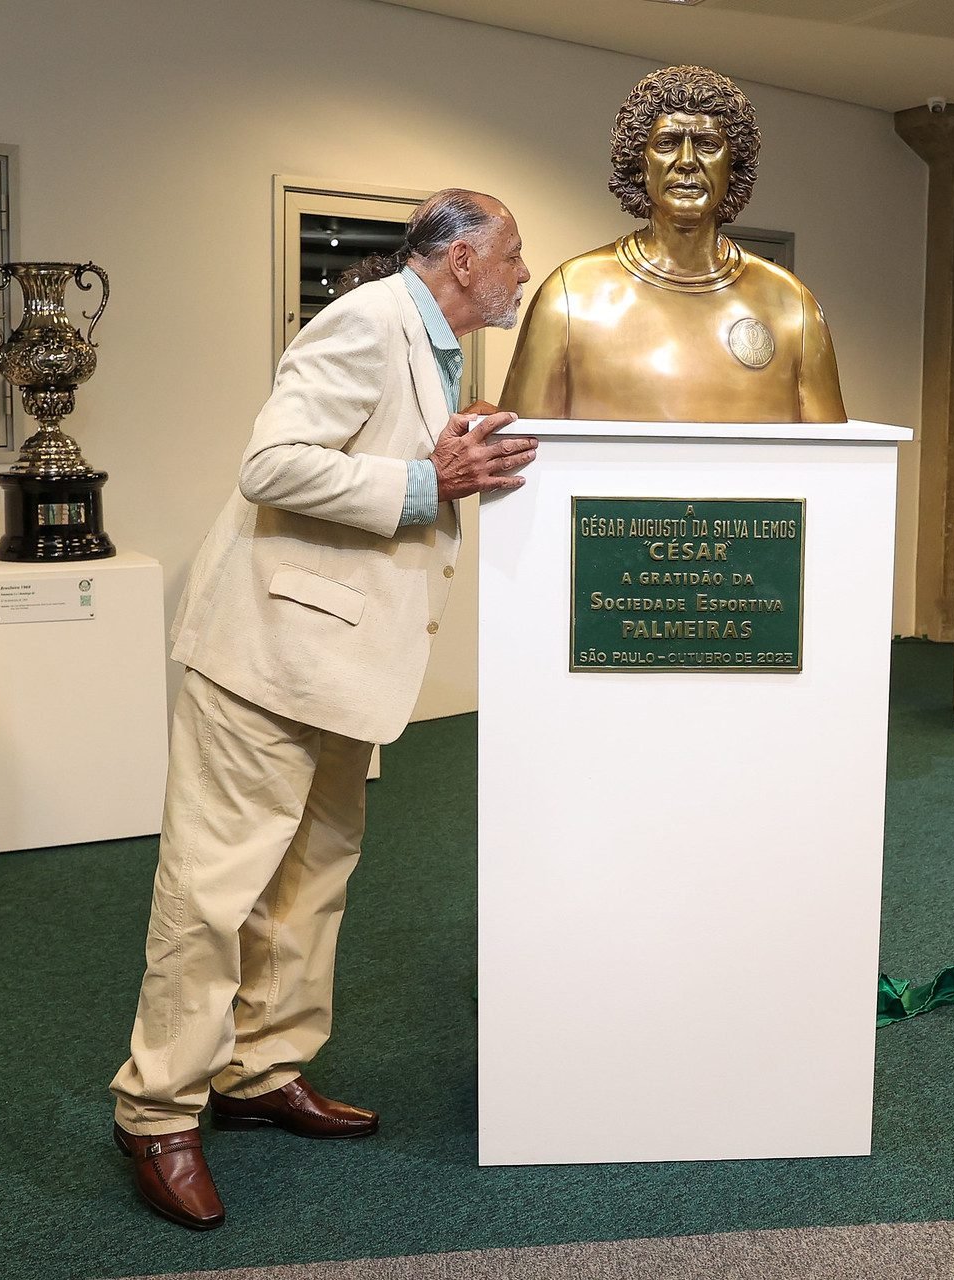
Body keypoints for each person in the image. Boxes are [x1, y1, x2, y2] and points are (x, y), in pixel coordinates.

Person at [108, 188, 536, 1231]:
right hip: (263, 656)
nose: (524, 272)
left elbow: (387, 455)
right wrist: (430, 479)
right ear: (465, 260)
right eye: (514, 255)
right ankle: (157, 1107)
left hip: (340, 665)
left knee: (312, 875)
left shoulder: (439, 344)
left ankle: (264, 1066)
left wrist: (449, 451)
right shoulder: (362, 318)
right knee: (215, 888)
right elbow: (272, 465)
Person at [500, 64, 846, 423]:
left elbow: (834, 462)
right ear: (639, 163)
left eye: (707, 145)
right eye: (666, 144)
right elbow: (522, 459)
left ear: (734, 164)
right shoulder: (570, 296)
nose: (686, 162)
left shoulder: (791, 304)